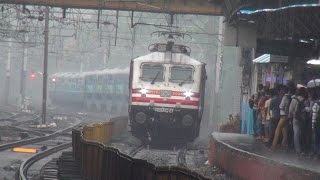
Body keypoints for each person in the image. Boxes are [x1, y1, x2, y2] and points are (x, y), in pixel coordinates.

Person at [272, 84, 294, 150]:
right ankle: (284, 144)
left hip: (283, 116)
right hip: (286, 116)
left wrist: (284, 112)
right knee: (284, 131)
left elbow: (283, 106)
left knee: (278, 129)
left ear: (284, 90)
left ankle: (274, 145)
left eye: (282, 90)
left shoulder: (285, 97)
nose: (281, 91)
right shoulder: (290, 97)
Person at [288, 87, 306, 155]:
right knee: (303, 134)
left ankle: (298, 149)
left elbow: (290, 110)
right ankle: (304, 148)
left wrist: (290, 117)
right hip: (303, 119)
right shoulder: (305, 99)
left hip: (296, 118)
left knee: (296, 134)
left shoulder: (294, 99)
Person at [311, 87, 320, 159]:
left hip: (317, 124)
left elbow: (314, 115)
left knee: (316, 139)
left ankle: (316, 154)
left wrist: (313, 125)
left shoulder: (316, 103)